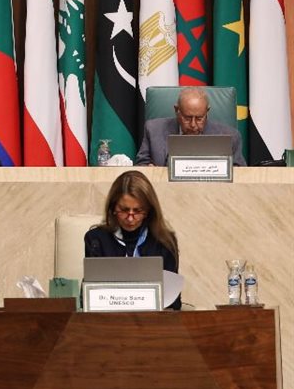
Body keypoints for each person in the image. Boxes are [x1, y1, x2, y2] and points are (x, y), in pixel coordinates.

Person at [84, 170, 180, 309]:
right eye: (124, 210)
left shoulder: (165, 242)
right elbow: (90, 296)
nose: (130, 218)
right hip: (109, 316)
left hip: (154, 318)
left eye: (138, 211)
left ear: (149, 210)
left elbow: (174, 303)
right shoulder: (96, 240)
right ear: (112, 208)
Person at [137, 87, 245, 166]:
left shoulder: (230, 137)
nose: (193, 124)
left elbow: (240, 173)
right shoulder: (153, 130)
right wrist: (149, 169)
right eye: (187, 118)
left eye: (199, 118)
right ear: (177, 110)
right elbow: (141, 166)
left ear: (207, 111)